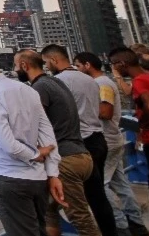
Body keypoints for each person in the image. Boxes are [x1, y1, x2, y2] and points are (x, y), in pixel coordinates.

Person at [0, 42, 64, 236]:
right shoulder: (27, 90)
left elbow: (9, 145)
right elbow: (48, 135)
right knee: (39, 230)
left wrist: (34, 154)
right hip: (38, 179)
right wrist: (52, 173)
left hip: (9, 178)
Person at [14, 50, 99, 236]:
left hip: (65, 161)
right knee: (48, 212)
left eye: (15, 65)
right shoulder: (56, 82)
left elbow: (34, 125)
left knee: (80, 217)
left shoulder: (39, 89)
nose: (14, 70)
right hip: (81, 154)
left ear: (24, 66)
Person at [42, 45, 118, 236]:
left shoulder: (56, 82)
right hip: (98, 140)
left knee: (73, 207)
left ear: (53, 60)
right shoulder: (92, 80)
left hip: (77, 144)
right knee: (98, 197)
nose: (45, 66)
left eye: (46, 62)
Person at [74, 52, 148, 236]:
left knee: (101, 186)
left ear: (87, 65)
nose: (76, 69)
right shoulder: (102, 83)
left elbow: (106, 112)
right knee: (121, 184)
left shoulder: (102, 84)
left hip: (106, 139)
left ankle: (120, 225)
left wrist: (82, 112)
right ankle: (136, 223)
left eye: (77, 65)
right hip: (112, 139)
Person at [109, 47, 149, 207]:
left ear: (122, 64)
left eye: (114, 65)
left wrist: (144, 123)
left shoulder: (139, 81)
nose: (113, 68)